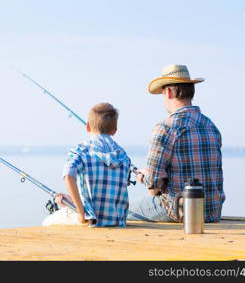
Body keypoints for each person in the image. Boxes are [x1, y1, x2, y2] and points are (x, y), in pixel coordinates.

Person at [128, 64, 225, 223]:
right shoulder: (211, 126)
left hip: (179, 212)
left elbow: (153, 187)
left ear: (169, 91)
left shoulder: (165, 128)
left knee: (121, 206)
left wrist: (144, 176)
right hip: (212, 212)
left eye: (162, 93)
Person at [43, 103, 131, 227]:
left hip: (91, 220)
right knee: (65, 202)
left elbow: (68, 176)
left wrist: (80, 212)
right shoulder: (123, 155)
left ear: (88, 127)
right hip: (117, 221)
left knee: (48, 222)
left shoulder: (81, 150)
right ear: (114, 130)